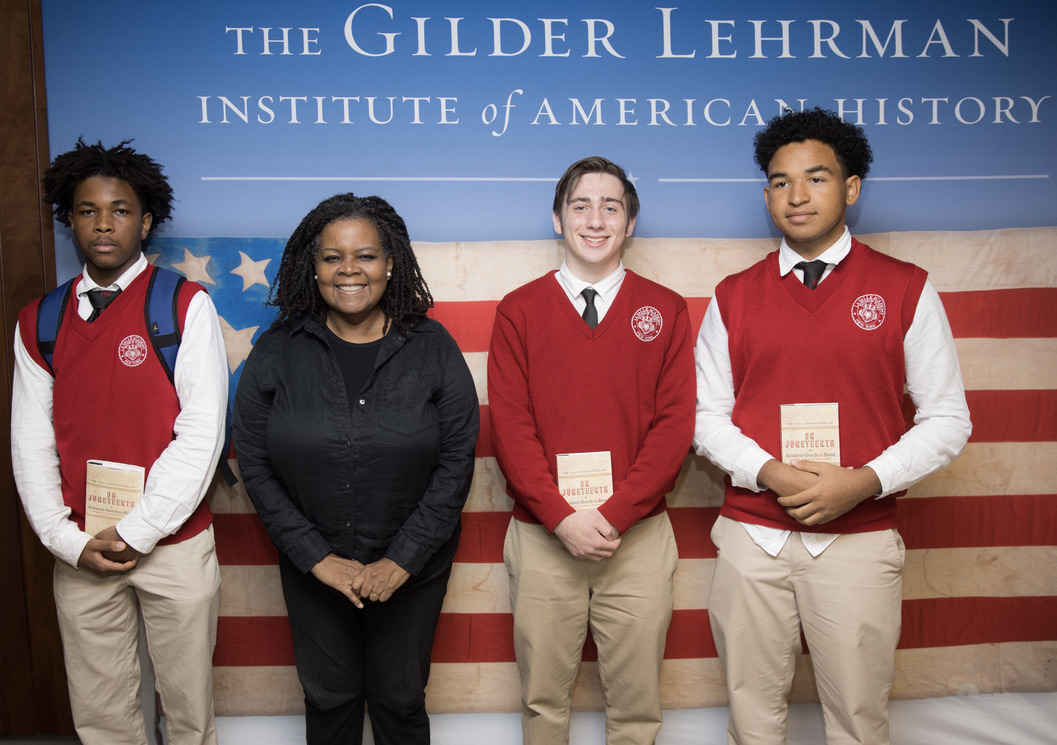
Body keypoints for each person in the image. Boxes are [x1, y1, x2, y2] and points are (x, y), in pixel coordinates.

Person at [694, 108, 972, 744]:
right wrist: (769, 471)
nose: (797, 195)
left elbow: (948, 419)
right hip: (752, 537)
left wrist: (865, 481)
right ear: (766, 194)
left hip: (859, 540)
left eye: (816, 178)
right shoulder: (733, 294)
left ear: (850, 188)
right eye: (780, 180)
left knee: (857, 721)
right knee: (752, 722)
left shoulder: (905, 288)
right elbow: (705, 416)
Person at [232, 192, 479, 745]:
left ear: (390, 264)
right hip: (313, 567)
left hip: (412, 569)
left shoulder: (434, 346)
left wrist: (401, 560)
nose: (349, 269)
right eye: (332, 257)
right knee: (330, 701)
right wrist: (315, 557)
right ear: (311, 266)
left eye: (366, 255)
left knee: (400, 701)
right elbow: (254, 458)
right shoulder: (277, 349)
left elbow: (457, 459)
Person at [11, 139, 227, 745]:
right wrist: (65, 539)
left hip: (173, 540)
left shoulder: (183, 304)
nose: (104, 223)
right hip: (80, 546)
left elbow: (202, 433)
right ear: (69, 219)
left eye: (121, 209)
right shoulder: (39, 321)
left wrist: (140, 528)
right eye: (87, 210)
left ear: (147, 219)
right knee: (102, 718)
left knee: (188, 715)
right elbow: (31, 445)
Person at [487, 156, 695, 745]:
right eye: (581, 206)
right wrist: (561, 518)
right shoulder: (519, 311)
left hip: (638, 537)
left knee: (636, 708)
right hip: (543, 536)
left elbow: (675, 426)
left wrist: (612, 515)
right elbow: (510, 427)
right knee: (543, 703)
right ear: (557, 219)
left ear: (630, 224)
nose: (596, 220)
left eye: (612, 207)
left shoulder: (668, 309)